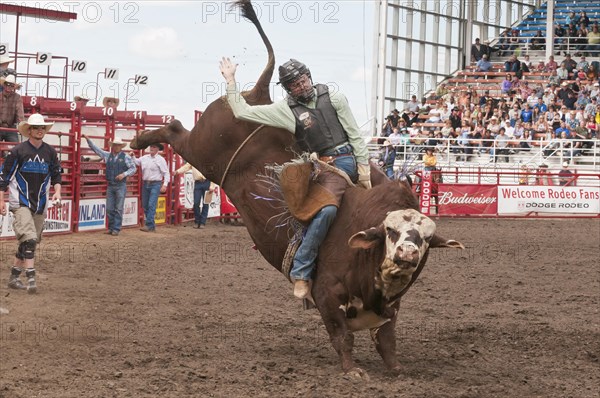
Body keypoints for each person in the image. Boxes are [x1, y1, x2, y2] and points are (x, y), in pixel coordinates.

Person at [219, 57, 372, 299]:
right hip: (315, 165)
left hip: (343, 160)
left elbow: (354, 134)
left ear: (308, 76)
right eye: (294, 85)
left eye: (302, 81)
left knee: (328, 210)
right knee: (292, 202)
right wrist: (230, 80)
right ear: (288, 89)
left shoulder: (334, 98)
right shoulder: (285, 109)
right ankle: (297, 260)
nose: (300, 86)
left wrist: (363, 168)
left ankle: (301, 269)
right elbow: (242, 111)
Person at [0, 114, 62, 293]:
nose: (40, 130)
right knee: (30, 239)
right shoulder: (18, 151)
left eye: (42, 127)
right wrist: (1, 200)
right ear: (29, 130)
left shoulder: (50, 152)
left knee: (29, 242)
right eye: (36, 127)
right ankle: (31, 277)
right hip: (20, 201)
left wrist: (57, 191)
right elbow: (3, 178)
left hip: (40, 202)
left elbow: (56, 175)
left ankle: (13, 277)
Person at [82, 134, 136, 236]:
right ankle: (111, 228)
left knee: (118, 208)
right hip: (111, 185)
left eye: (118, 145)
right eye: (115, 145)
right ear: (113, 146)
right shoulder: (108, 155)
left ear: (121, 147)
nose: (116, 147)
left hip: (120, 185)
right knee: (110, 208)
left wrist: (124, 174)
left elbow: (133, 168)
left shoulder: (126, 157)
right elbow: (96, 149)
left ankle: (115, 228)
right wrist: (88, 139)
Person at [131, 143, 170, 232]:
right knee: (145, 204)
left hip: (155, 184)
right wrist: (133, 156)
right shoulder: (145, 158)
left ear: (157, 149)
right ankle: (151, 225)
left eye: (154, 147)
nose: (151, 148)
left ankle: (149, 225)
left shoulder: (161, 160)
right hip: (146, 183)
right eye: (151, 146)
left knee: (151, 204)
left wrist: (165, 185)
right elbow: (137, 162)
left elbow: (166, 173)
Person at [176, 162, 213, 229]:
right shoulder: (194, 160)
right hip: (199, 182)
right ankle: (198, 221)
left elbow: (213, 173)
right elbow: (186, 167)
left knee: (206, 203)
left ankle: (202, 222)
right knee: (196, 203)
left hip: (207, 181)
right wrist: (177, 171)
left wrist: (212, 185)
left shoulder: (208, 159)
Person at [0, 74, 24, 146]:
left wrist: (21, 125)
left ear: (13, 87)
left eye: (11, 85)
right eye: (7, 84)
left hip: (11, 127)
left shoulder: (17, 98)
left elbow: (20, 112)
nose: (9, 87)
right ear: (4, 85)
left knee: (17, 147)